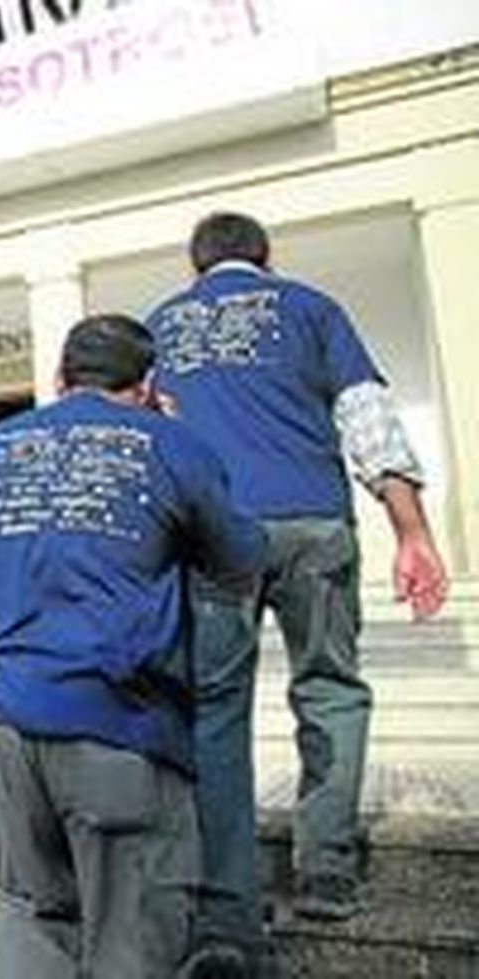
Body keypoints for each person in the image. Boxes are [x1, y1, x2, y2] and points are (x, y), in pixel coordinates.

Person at [0, 314, 267, 979]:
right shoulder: (169, 444)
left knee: (30, 918)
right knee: (135, 934)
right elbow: (241, 564)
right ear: (148, 384)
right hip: (121, 725)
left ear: (60, 379)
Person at [147, 213, 448, 970]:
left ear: (196, 268)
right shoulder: (311, 307)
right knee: (331, 689)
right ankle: (326, 870)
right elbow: (368, 421)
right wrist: (412, 531)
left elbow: (145, 439)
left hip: (215, 536)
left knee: (215, 707)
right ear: (265, 258)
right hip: (313, 522)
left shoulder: (161, 327)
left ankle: (225, 894)